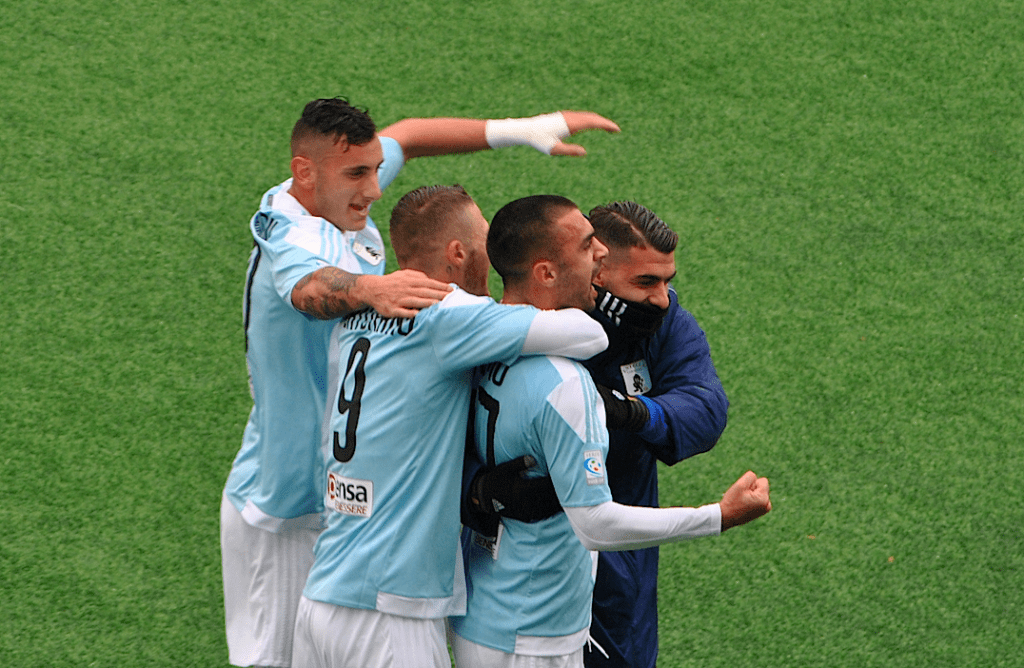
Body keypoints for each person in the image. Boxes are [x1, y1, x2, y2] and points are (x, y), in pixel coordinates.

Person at [220, 98, 620, 668]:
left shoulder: (334, 192)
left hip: (343, 515)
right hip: (281, 505)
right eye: (358, 174)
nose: (374, 187)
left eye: (374, 169)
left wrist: (524, 129)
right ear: (304, 172)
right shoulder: (295, 234)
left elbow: (408, 134)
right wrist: (368, 288)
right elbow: (309, 290)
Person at [289, 184, 610, 668]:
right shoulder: (449, 314)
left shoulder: (353, 320)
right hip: (389, 611)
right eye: (483, 243)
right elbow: (587, 334)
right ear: (458, 253)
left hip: (322, 593)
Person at [449, 195, 770, 668]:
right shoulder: (515, 337)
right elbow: (436, 431)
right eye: (645, 282)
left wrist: (634, 413)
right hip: (529, 578)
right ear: (597, 269)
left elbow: (706, 408)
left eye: (667, 281)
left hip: (621, 552)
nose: (662, 298)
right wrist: (477, 489)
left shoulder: (662, 324)